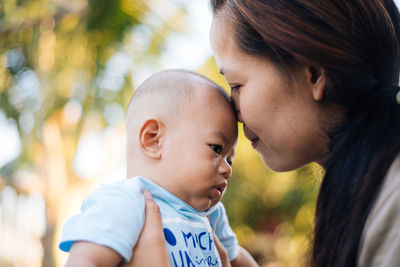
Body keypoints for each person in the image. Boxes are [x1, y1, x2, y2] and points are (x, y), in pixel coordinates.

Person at [127, 1, 400, 267]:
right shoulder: (361, 195)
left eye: (236, 85)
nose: (232, 112)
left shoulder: (392, 204)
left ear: (314, 74)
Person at [58, 69, 258, 267]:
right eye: (216, 149)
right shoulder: (126, 202)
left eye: (229, 160)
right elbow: (87, 260)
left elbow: (236, 257)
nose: (227, 169)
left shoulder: (212, 215)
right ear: (153, 140)